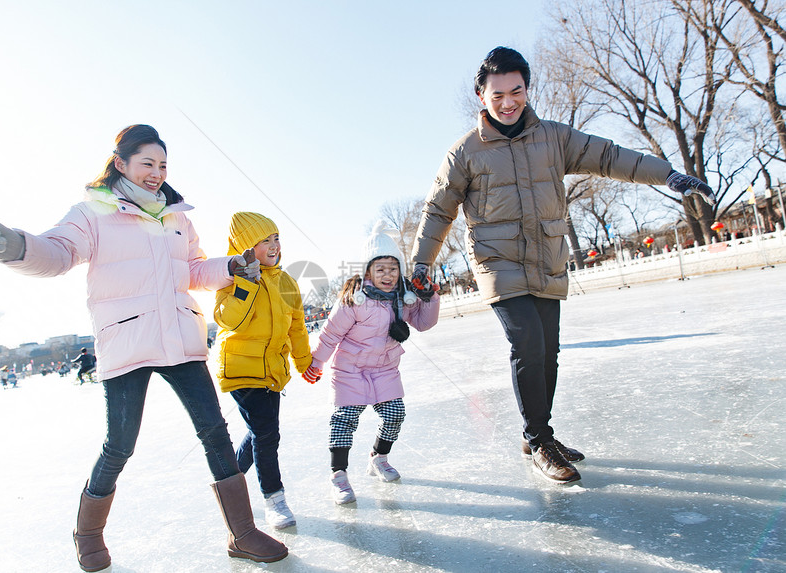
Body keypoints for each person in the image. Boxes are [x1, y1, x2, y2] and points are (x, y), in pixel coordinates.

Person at [0, 124, 287, 571]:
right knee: (120, 444)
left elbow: (195, 270)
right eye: (147, 163)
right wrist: (21, 248)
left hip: (180, 339)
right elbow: (60, 251)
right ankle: (87, 533)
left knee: (215, 432)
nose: (156, 173)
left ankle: (242, 532)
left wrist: (232, 267)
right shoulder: (93, 213)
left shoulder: (177, 217)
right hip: (127, 339)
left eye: (163, 165)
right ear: (121, 163)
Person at [410, 47, 717, 485]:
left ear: (526, 90)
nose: (508, 101)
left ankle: (538, 434)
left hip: (547, 257)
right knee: (528, 343)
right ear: (482, 95)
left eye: (516, 91)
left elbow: (610, 156)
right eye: (498, 94)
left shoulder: (553, 137)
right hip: (497, 262)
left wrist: (667, 175)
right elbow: (438, 210)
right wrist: (422, 264)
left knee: (548, 353)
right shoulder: (465, 152)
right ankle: (539, 441)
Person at [306, 222, 440, 504]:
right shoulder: (354, 299)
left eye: (393, 269)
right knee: (344, 420)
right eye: (380, 269)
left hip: (384, 368)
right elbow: (331, 333)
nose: (387, 275)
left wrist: (429, 296)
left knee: (395, 414)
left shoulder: (405, 297)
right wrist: (316, 362)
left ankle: (378, 458)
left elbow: (424, 323)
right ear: (367, 272)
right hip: (350, 370)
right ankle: (339, 475)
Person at [212, 212, 311, 529]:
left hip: (272, 370)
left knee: (261, 433)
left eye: (276, 238)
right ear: (245, 247)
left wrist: (303, 362)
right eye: (264, 240)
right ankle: (274, 498)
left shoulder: (286, 282)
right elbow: (227, 320)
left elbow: (297, 327)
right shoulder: (231, 280)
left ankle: (232, 483)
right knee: (268, 434)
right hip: (242, 368)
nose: (274, 245)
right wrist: (246, 283)